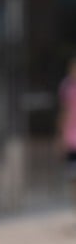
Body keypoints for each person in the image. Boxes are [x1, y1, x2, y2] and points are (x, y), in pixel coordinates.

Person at [57, 57, 76, 201]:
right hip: (71, 135)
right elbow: (63, 111)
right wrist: (61, 135)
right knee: (72, 172)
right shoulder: (66, 87)